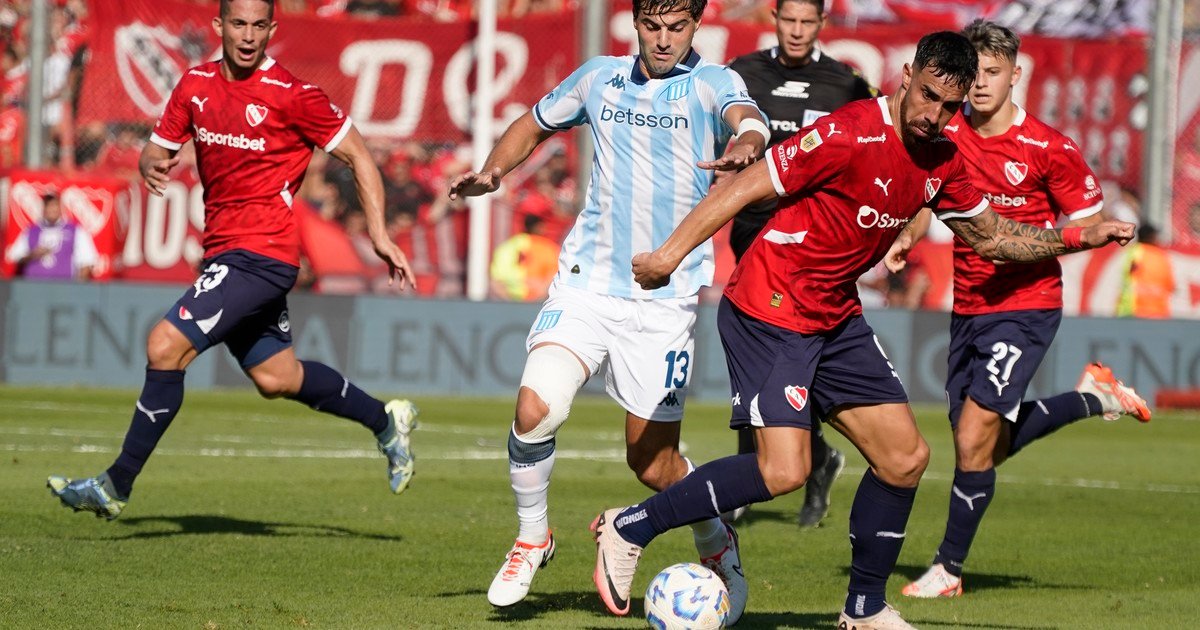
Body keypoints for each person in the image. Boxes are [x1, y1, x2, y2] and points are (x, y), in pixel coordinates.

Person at [590, 31, 1136, 629]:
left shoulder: (944, 157)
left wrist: (1076, 236)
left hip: (835, 315)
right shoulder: (850, 131)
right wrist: (670, 254)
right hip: (771, 306)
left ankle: (864, 609)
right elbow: (748, 185)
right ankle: (630, 526)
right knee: (784, 471)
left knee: (905, 458)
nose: (934, 116)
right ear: (907, 76)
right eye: (927, 96)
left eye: (949, 107)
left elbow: (992, 238)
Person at [448, 0, 768, 619]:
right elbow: (534, 122)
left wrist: (747, 146)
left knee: (653, 466)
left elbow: (748, 119)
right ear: (636, 24)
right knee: (535, 408)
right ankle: (532, 536)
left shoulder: (712, 83)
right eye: (653, 26)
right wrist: (493, 171)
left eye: (677, 28)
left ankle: (714, 536)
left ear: (695, 27)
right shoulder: (600, 77)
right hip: (587, 283)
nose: (664, 40)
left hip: (664, 301)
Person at [47, 0, 419, 521]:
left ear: (272, 29)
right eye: (238, 24)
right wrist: (152, 163)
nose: (248, 36)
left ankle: (115, 484)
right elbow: (155, 149)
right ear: (219, 26)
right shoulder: (194, 85)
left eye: (258, 26)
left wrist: (378, 232)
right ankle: (385, 419)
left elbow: (358, 153)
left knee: (164, 344)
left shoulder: (293, 95)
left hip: (262, 255)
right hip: (224, 251)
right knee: (277, 378)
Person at [884, 22, 1152, 601]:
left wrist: (1096, 232)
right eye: (974, 72)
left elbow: (1083, 216)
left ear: (1016, 75)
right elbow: (928, 192)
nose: (980, 84)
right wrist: (907, 234)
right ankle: (1094, 397)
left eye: (992, 72)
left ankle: (949, 570)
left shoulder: (1048, 148)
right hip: (970, 304)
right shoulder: (949, 132)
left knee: (976, 434)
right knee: (980, 443)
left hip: (1026, 305)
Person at [725, 0, 878, 528]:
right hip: (752, 233)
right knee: (754, 355)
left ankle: (808, 461)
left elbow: (891, 140)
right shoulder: (742, 74)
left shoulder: (847, 84)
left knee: (794, 360)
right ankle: (776, 468)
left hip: (815, 243)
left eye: (805, 22)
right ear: (774, 17)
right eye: (788, 20)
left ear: (821, 24)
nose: (795, 30)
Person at [6, 191, 98, 281]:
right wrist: (32, 255)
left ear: (60, 208)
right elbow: (15, 257)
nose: (51, 209)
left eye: (54, 205)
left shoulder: (75, 231)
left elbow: (87, 261)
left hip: (64, 287)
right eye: (48, 205)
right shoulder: (31, 231)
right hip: (33, 287)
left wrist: (76, 289)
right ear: (43, 208)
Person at [489, 214, 560, 301]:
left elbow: (495, 281)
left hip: (510, 302)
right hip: (536, 304)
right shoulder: (549, 248)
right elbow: (554, 277)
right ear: (540, 227)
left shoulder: (507, 246)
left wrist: (508, 302)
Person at [1116, 223, 1174, 319]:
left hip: (1133, 310)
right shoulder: (1162, 256)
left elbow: (1126, 276)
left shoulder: (1133, 252)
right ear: (1151, 237)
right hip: (1157, 312)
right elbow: (1170, 285)